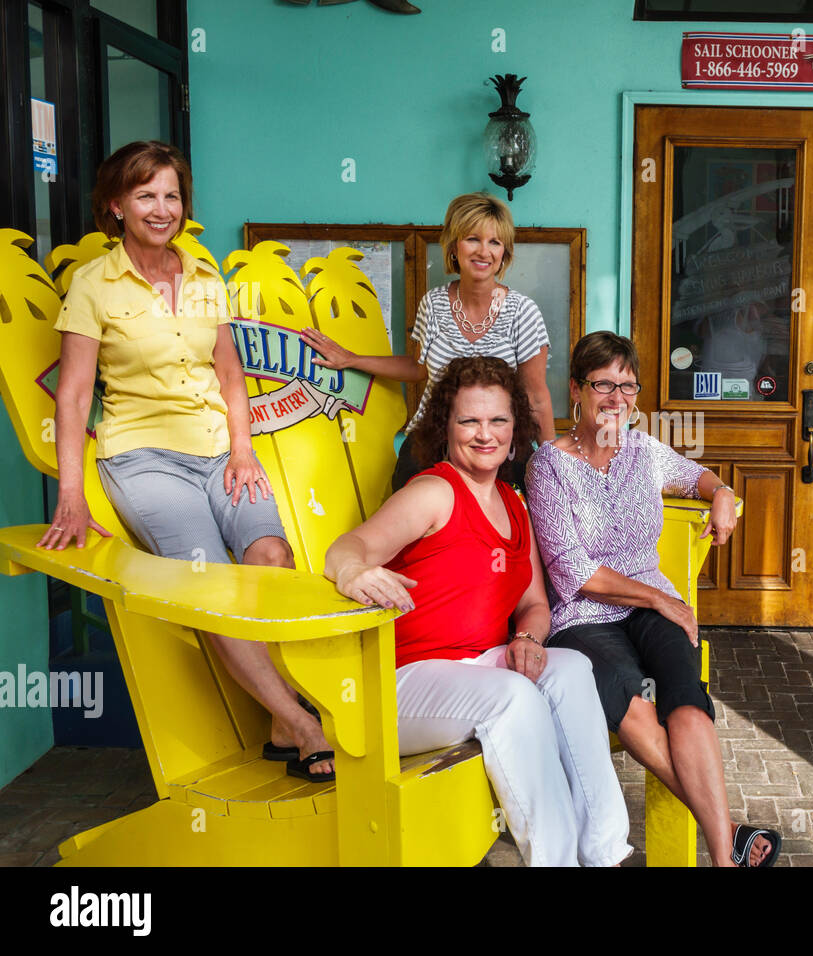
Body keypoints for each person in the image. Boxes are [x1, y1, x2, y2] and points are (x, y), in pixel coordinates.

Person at [39, 140, 333, 782]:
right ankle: (304, 724)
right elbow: (75, 395)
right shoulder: (94, 285)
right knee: (208, 581)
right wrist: (70, 494)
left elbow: (229, 373)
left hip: (221, 452)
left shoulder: (203, 276)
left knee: (269, 559)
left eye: (172, 195)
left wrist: (244, 448)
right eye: (146, 195)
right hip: (142, 457)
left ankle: (281, 716)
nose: (162, 207)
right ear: (115, 205)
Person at [323, 356, 630, 867]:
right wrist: (354, 572)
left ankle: (605, 853)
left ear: (516, 431)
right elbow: (346, 548)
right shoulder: (433, 492)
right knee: (513, 698)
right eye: (469, 420)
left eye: (497, 421)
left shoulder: (514, 503)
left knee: (572, 668)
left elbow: (534, 603)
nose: (484, 434)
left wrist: (529, 640)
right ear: (446, 428)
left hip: (477, 670)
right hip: (400, 685)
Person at [526, 331, 782, 867]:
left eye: (627, 386)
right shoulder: (548, 465)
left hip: (651, 608)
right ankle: (730, 833)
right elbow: (573, 571)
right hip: (584, 617)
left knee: (686, 699)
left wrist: (725, 495)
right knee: (635, 707)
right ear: (575, 389)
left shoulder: (646, 452)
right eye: (602, 384)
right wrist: (658, 598)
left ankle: (719, 857)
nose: (616, 398)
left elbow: (700, 478)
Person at [299, 192, 555, 490]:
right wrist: (352, 359)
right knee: (410, 526)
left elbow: (535, 397)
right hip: (431, 443)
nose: (484, 251)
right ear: (454, 246)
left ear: (504, 254)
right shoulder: (433, 304)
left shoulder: (523, 312)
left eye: (495, 242)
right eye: (473, 238)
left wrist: (552, 465)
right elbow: (418, 367)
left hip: (497, 448)